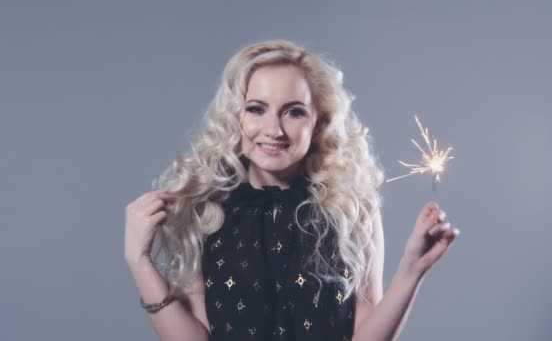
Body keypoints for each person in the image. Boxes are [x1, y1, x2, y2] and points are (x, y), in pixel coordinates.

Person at [124, 39, 460, 341]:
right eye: (257, 109)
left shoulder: (350, 208)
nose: (273, 129)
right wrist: (139, 262)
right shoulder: (206, 211)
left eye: (294, 112)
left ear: (318, 124)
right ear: (236, 117)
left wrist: (411, 270)